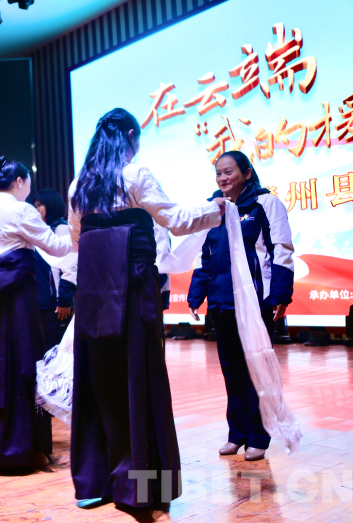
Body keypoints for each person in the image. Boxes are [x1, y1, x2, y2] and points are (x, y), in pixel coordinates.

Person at [68, 108, 227, 508]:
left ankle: (100, 481)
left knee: (100, 383)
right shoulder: (135, 175)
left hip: (94, 294)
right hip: (134, 289)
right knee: (139, 380)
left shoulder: (78, 186)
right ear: (130, 137)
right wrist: (217, 209)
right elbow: (176, 220)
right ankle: (140, 487)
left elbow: (76, 242)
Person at [0, 156, 74, 470]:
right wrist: (79, 230)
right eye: (28, 182)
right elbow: (56, 246)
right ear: (19, 181)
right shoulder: (21, 210)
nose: (29, 188)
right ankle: (21, 447)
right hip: (16, 299)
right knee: (22, 362)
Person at [188, 150, 294, 462]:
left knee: (256, 372)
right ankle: (237, 434)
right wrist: (196, 294)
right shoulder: (213, 209)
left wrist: (280, 295)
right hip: (222, 303)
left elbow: (281, 248)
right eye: (218, 173)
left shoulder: (266, 203)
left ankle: (259, 437)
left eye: (229, 171)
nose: (222, 178)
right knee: (231, 371)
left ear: (247, 173)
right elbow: (205, 257)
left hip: (255, 303)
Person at [33, 189, 77, 348]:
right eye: (35, 206)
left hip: (57, 302)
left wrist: (64, 300)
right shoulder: (42, 232)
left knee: (56, 347)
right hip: (42, 302)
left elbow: (71, 267)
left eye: (39, 205)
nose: (36, 210)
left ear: (51, 205)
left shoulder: (62, 229)